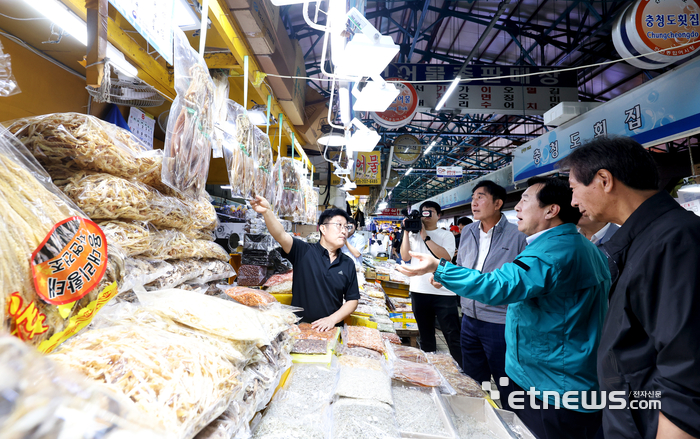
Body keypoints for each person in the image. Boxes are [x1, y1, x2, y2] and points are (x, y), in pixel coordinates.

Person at [397, 177, 610, 439]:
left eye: (525, 200)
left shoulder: (552, 252)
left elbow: (499, 285)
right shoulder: (579, 246)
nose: (517, 208)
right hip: (559, 371)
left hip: (553, 382)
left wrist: (438, 268)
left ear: (551, 210)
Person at [562, 136, 700, 439]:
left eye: (573, 188)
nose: (572, 201)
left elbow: (686, 371)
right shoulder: (644, 239)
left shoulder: (675, 241)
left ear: (604, 180)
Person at [455, 180, 527, 410]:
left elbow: (522, 280)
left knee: (507, 383)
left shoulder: (518, 235)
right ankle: (478, 422)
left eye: (481, 197)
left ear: (498, 203)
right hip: (468, 319)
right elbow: (461, 267)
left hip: (500, 322)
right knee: (473, 381)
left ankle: (514, 426)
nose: (474, 202)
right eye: (473, 197)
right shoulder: (468, 231)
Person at [250, 196, 359, 331]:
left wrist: (332, 319)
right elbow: (280, 235)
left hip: (332, 330)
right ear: (323, 229)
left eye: (346, 227)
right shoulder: (304, 251)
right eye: (339, 225)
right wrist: (267, 212)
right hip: (300, 328)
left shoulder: (347, 263)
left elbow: (352, 299)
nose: (344, 231)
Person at [399, 201, 461, 367]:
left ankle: (464, 371)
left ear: (439, 215)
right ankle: (431, 369)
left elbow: (446, 257)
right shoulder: (413, 234)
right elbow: (405, 257)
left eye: (430, 212)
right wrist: (406, 232)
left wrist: (425, 236)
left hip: (444, 294)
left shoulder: (445, 235)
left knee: (452, 336)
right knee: (426, 337)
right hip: (419, 291)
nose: (425, 215)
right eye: (423, 212)